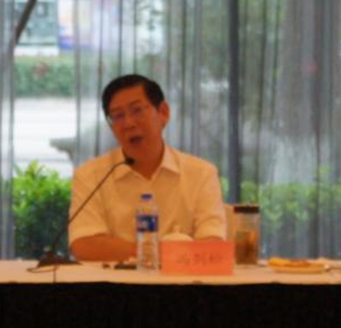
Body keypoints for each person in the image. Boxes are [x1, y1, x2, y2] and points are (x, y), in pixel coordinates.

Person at [68, 74, 226, 262]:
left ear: (163, 113)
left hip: (181, 280)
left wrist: (147, 254)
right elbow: (84, 244)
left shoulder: (201, 173)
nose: (128, 123)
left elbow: (212, 243)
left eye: (137, 110)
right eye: (118, 116)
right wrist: (161, 254)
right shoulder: (91, 175)